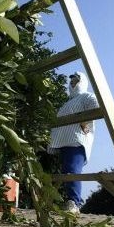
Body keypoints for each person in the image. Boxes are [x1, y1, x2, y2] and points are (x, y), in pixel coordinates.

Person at [47, 72, 99, 214]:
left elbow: (98, 105)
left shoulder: (86, 96)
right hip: (64, 142)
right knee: (66, 172)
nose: (73, 83)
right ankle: (70, 201)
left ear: (82, 82)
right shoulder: (67, 102)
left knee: (72, 170)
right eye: (71, 81)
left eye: (76, 81)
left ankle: (74, 203)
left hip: (77, 140)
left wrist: (85, 121)